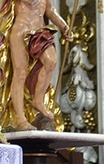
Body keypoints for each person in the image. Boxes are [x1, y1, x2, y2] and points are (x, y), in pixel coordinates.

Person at [6, 0, 73, 130]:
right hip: (21, 31)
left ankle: (38, 100)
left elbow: (50, 11)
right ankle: (21, 120)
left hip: (39, 31)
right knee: (20, 74)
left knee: (51, 61)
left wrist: (65, 27)